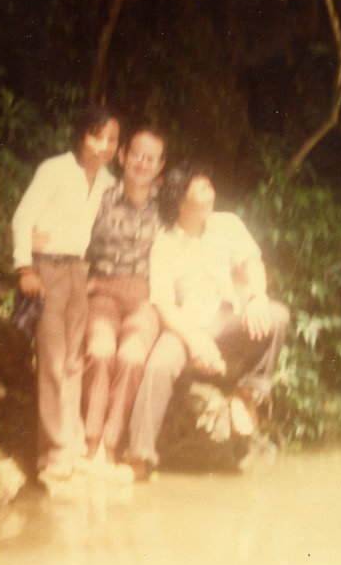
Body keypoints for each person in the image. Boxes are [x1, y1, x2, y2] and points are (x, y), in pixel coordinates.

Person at [124, 161, 290, 479]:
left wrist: (258, 296)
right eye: (200, 187)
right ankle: (139, 457)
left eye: (209, 186)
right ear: (179, 200)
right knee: (158, 365)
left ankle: (247, 394)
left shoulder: (227, 223)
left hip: (230, 315)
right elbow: (164, 304)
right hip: (188, 324)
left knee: (277, 315)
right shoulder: (165, 242)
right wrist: (196, 340)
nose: (210, 192)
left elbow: (253, 261)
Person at [11, 107, 120, 482]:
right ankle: (57, 449)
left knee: (73, 362)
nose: (103, 146)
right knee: (54, 361)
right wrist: (25, 267)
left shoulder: (108, 183)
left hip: (78, 272)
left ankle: (66, 445)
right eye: (96, 136)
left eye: (111, 140)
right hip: (46, 269)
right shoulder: (54, 170)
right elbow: (23, 218)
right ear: (81, 137)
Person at [81, 126, 166, 477]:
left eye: (151, 158)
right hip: (100, 291)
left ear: (160, 166)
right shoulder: (100, 195)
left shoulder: (167, 206)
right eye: (137, 155)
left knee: (131, 357)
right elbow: (72, 234)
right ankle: (90, 444)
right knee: (100, 351)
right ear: (123, 157)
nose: (143, 163)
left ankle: (110, 447)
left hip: (144, 298)